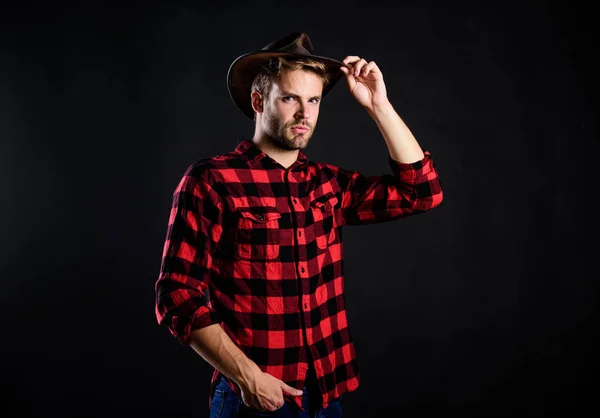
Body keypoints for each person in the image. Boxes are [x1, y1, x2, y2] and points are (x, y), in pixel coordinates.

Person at [154, 32, 443, 418]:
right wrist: (249, 378)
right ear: (258, 102)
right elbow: (176, 295)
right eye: (290, 98)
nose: (305, 114)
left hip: (327, 394)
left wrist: (379, 105)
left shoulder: (327, 184)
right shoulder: (212, 181)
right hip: (255, 399)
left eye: (314, 100)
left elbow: (421, 192)